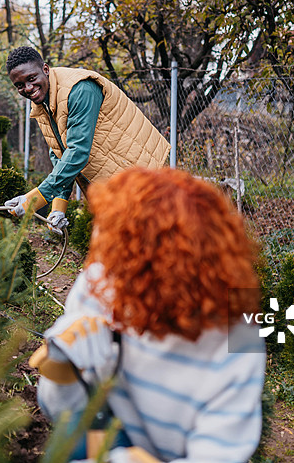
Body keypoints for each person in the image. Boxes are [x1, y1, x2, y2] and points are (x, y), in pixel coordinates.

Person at [28, 168, 266, 463]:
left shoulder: (236, 337)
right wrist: (63, 369)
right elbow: (64, 415)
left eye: (118, 239)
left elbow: (219, 454)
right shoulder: (100, 286)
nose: (101, 251)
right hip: (114, 430)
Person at [3, 46, 170, 233]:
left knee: (155, 241)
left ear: (45, 69)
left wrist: (34, 199)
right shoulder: (43, 103)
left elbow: (77, 152)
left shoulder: (79, 89)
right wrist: (58, 207)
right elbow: (60, 153)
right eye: (20, 85)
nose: (27, 88)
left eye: (31, 78)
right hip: (111, 185)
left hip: (141, 177)